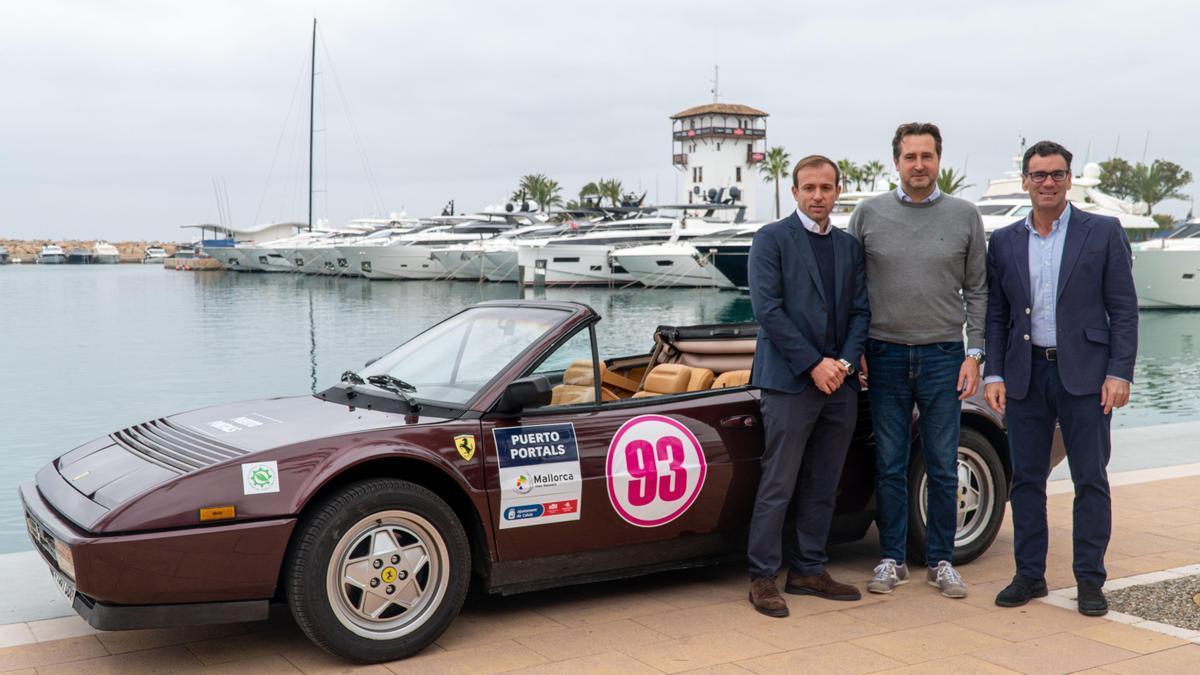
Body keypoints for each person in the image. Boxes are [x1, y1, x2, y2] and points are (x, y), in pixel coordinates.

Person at [984, 141, 1137, 616]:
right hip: (1025, 374)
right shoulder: (1005, 240)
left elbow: (1123, 310)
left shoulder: (1104, 232)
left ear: (1069, 179)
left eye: (1055, 174)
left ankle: (1090, 580)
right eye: (1038, 174)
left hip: (1088, 376)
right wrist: (994, 371)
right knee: (1026, 481)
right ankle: (1029, 576)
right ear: (1025, 181)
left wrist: (1119, 372)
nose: (1047, 182)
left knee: (1090, 478)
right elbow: (996, 315)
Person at [848, 122, 987, 599]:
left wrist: (975, 353)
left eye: (926, 156)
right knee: (888, 462)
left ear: (938, 160)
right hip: (883, 355)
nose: (919, 165)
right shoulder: (867, 214)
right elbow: (853, 289)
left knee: (943, 464)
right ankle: (891, 559)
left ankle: (941, 560)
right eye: (910, 157)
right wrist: (858, 348)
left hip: (945, 356)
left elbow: (978, 290)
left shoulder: (965, 216)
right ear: (896, 161)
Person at [745, 155, 871, 617]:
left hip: (839, 384)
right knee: (778, 481)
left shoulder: (849, 246)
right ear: (795, 192)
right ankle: (763, 577)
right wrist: (812, 364)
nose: (818, 195)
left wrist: (838, 363)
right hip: (789, 382)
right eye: (809, 187)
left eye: (826, 187)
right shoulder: (772, 239)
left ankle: (808, 569)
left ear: (837, 191)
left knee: (824, 481)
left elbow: (861, 311)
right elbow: (768, 310)